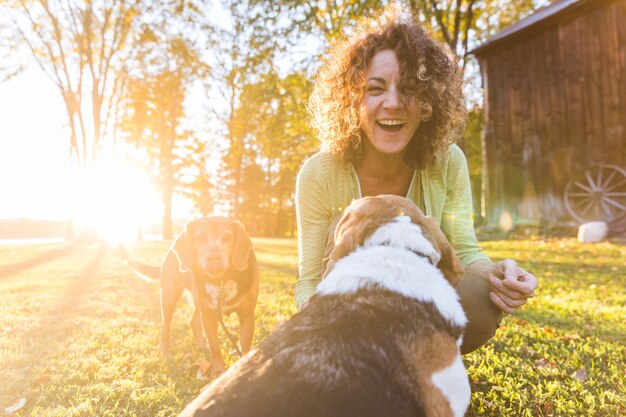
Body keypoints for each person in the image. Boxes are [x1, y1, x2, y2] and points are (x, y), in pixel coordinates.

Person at [295, 11, 538, 354]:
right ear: (353, 102)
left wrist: (499, 273)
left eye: (409, 88)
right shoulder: (319, 173)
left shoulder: (448, 162)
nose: (393, 103)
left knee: (481, 300)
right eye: (375, 89)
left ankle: (409, 361)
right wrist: (317, 330)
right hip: (346, 310)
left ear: (428, 102)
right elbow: (308, 282)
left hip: (418, 295)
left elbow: (464, 249)